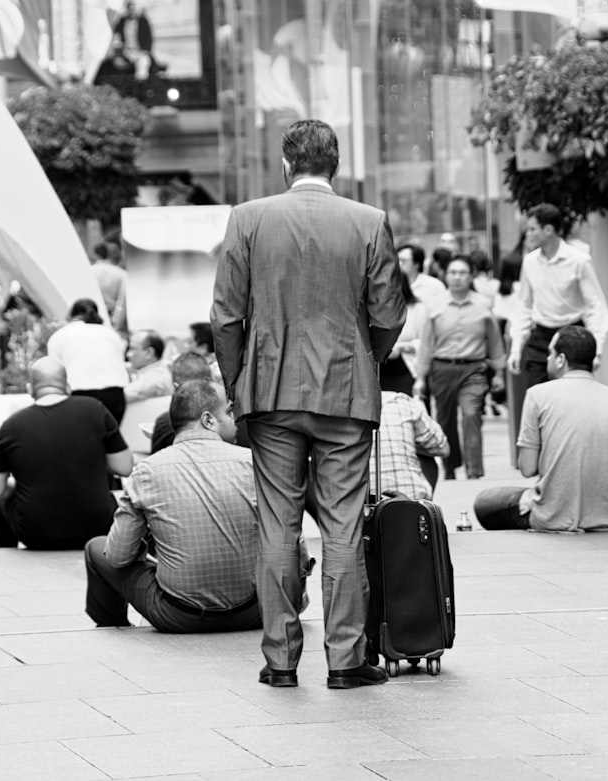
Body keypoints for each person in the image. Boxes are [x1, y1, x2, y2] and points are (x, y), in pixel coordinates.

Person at [211, 119, 405, 689]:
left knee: (278, 525)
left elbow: (226, 316)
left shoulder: (247, 218)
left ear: (286, 164)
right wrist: (364, 359)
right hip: (345, 393)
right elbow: (390, 314)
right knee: (343, 526)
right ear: (336, 165)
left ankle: (280, 661)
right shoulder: (369, 222)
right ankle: (346, 661)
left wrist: (236, 382)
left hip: (269, 392)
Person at [84, 381, 267, 632]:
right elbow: (293, 548)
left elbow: (118, 556)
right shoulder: (253, 463)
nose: (235, 420)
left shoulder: (147, 471)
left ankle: (114, 625)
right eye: (229, 412)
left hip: (177, 616)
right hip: (256, 612)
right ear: (208, 419)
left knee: (97, 548)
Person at [474, 325, 608, 531]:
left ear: (561, 359)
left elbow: (527, 468)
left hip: (555, 514)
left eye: (550, 354)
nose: (547, 359)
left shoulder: (538, 394)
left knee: (485, 502)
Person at [0, 357, 133, 549]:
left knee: (6, 501)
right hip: (98, 528)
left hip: (36, 533)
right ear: (67, 386)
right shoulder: (95, 409)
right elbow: (124, 467)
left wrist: (14, 486)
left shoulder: (12, 425)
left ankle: (3, 564)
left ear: (30, 389)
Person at [414, 255, 506, 480]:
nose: (457, 277)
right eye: (453, 272)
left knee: (471, 413)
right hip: (441, 369)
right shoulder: (435, 306)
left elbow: (494, 341)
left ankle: (474, 471)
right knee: (444, 421)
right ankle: (450, 468)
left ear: (471, 275)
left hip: (473, 370)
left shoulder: (483, 305)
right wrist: (421, 377)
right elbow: (426, 343)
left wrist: (499, 373)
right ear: (446, 275)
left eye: (462, 272)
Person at [508, 203, 608, 390]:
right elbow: (524, 305)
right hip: (540, 336)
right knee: (537, 396)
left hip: (573, 335)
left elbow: (595, 305)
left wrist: (598, 350)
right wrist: (516, 347)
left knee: (573, 398)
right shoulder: (530, 262)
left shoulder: (579, 261)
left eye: (532, 229)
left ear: (548, 230)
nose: (527, 234)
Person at [47, 298, 130, 423]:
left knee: (81, 439)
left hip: (79, 396)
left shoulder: (60, 335)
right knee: (108, 439)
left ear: (71, 315)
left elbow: (54, 372)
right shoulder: (111, 334)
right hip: (115, 396)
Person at [370, 390, 449, 500]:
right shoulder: (402, 402)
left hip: (358, 504)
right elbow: (443, 448)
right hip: (412, 499)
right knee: (426, 455)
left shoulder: (343, 407)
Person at [149, 351, 213, 454]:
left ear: (176, 387)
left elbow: (154, 462)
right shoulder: (224, 419)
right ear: (210, 383)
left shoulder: (165, 423)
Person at [382, 273, 428, 396]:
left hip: (407, 367)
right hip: (380, 368)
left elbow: (425, 342)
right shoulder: (375, 308)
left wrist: (401, 347)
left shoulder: (418, 308)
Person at [124, 329, 173, 403]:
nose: (128, 354)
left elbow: (119, 397)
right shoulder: (158, 369)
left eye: (132, 349)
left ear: (149, 353)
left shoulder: (155, 378)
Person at [90, 242, 128, 337]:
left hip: (91, 316)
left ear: (95, 254)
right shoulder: (121, 273)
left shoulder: (88, 271)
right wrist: (116, 324)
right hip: (112, 315)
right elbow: (122, 301)